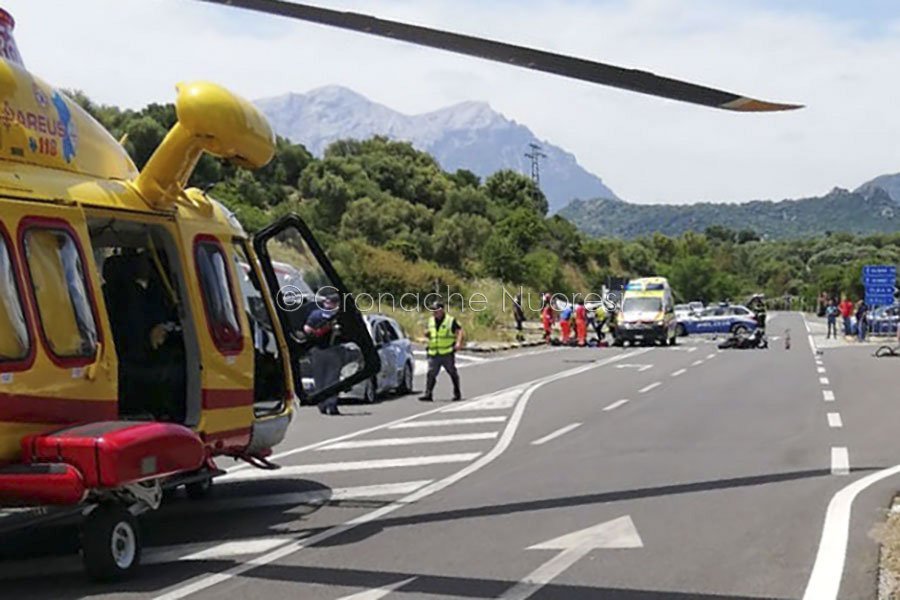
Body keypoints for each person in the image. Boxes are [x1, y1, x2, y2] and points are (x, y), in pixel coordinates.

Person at [419, 301, 464, 402]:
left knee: (452, 372)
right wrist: (426, 334)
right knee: (431, 373)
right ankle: (428, 393)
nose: (434, 312)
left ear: (442, 310)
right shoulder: (430, 320)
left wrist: (458, 343)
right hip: (433, 352)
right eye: (433, 310)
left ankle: (457, 393)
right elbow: (428, 332)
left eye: (436, 310)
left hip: (447, 351)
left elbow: (459, 331)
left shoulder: (450, 320)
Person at [304, 295, 342, 415]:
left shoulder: (315, 314)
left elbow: (306, 328)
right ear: (336, 304)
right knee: (333, 379)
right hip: (333, 350)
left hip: (317, 350)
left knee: (319, 378)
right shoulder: (339, 316)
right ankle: (331, 404)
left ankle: (321, 404)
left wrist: (314, 335)